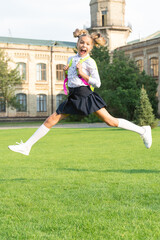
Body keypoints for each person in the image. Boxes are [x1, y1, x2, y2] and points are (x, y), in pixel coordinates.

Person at [8, 29, 152, 156]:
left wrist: (82, 73)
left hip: (85, 95)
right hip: (73, 95)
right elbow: (71, 80)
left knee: (111, 121)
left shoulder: (90, 62)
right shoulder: (71, 59)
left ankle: (143, 131)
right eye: (82, 42)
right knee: (50, 120)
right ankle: (27, 146)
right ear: (77, 44)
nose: (84, 45)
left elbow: (97, 82)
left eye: (87, 44)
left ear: (91, 47)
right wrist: (67, 72)